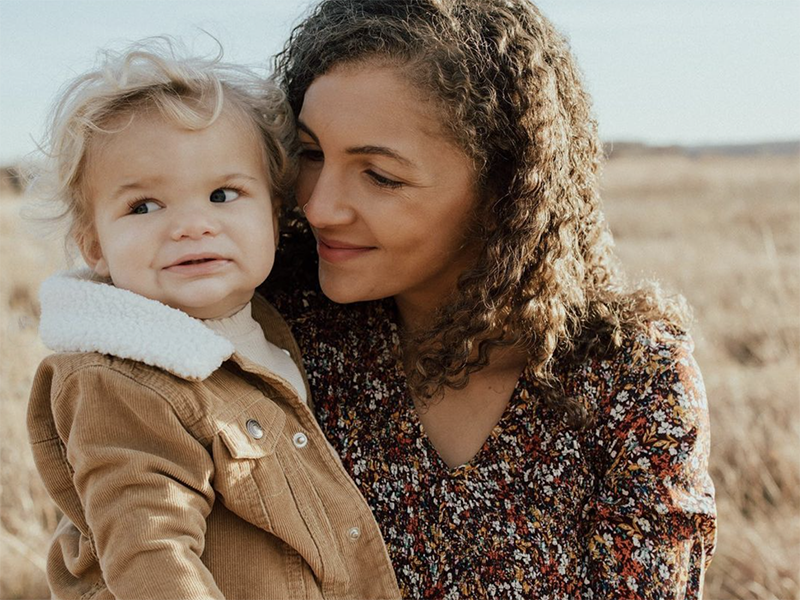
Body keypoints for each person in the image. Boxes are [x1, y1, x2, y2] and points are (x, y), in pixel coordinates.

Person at [264, 0, 718, 598]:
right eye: (312, 154)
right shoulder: (270, 331)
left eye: (380, 176)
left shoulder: (631, 383)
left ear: (505, 187)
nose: (320, 206)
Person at [26, 41, 401, 600]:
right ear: (95, 248)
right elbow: (151, 556)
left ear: (275, 220)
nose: (191, 225)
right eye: (144, 207)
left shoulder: (267, 332)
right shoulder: (119, 382)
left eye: (223, 194)